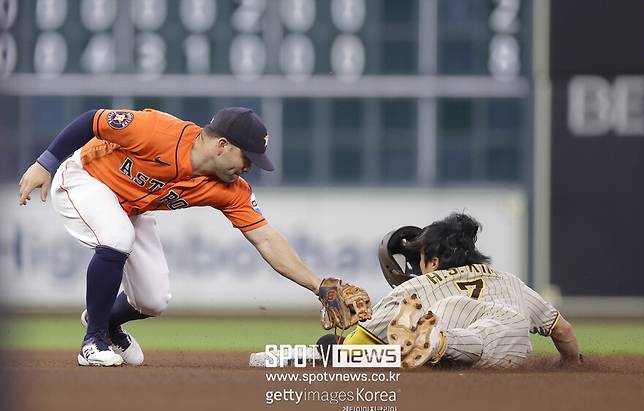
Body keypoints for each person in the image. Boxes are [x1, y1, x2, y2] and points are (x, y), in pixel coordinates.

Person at [18, 107, 340, 367]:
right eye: (248, 158)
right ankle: (94, 340)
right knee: (118, 237)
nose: (248, 168)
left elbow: (266, 239)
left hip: (130, 207)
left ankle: (105, 318)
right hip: (84, 178)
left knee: (153, 299)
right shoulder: (157, 131)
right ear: (222, 145)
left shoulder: (229, 189)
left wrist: (318, 286)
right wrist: (45, 163)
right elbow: (93, 120)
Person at [337, 213, 581, 369]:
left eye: (420, 259)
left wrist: (331, 347)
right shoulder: (510, 281)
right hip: (514, 344)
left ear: (433, 262)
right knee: (470, 335)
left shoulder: (418, 287)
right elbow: (562, 330)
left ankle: (437, 341)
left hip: (465, 335)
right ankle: (437, 342)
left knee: (444, 314)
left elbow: (352, 352)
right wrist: (571, 364)